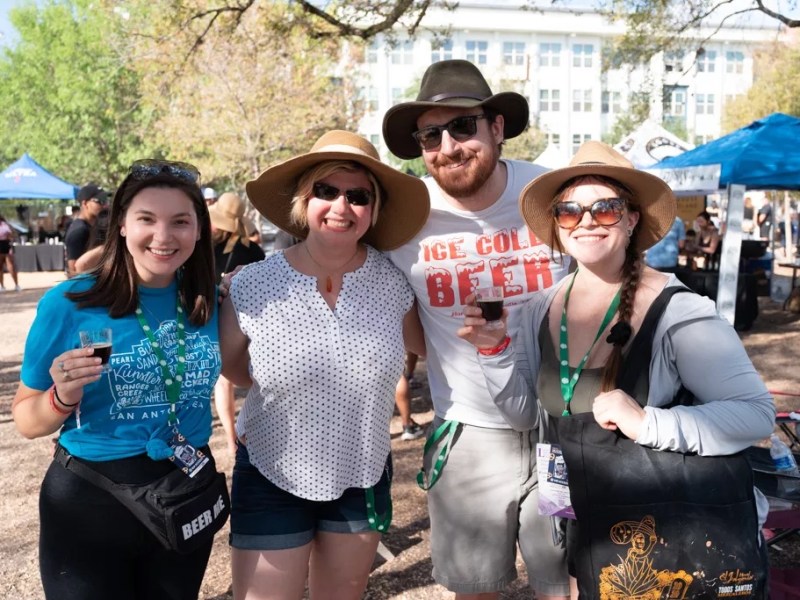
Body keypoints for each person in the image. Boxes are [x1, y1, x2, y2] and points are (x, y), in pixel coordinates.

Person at [458, 140, 775, 597]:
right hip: (584, 525)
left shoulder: (680, 311)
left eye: (605, 208)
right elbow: (525, 417)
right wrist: (495, 353)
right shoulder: (541, 307)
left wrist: (648, 423)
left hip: (666, 539)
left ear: (631, 220)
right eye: (569, 211)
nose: (586, 221)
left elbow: (755, 414)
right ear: (558, 224)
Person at [382, 59, 571, 599]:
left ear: (497, 127)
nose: (448, 147)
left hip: (563, 428)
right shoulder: (404, 217)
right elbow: (408, 326)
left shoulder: (551, 193)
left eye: (463, 127)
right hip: (469, 433)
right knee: (475, 589)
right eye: (430, 136)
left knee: (565, 585)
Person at [219, 130, 429, 599]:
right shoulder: (252, 283)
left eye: (358, 196)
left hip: (362, 471)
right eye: (326, 190)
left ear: (373, 210)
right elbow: (235, 371)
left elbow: (435, 345)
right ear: (303, 200)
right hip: (271, 470)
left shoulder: (395, 283)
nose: (341, 205)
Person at [12, 160, 222, 600]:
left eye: (180, 221)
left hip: (183, 492)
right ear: (122, 225)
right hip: (90, 503)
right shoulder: (70, 302)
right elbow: (26, 421)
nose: (163, 236)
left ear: (199, 229)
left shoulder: (210, 301)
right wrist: (61, 396)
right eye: (147, 219)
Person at [208, 191, 265, 455]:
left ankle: (232, 439)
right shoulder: (254, 250)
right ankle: (247, 431)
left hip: (220, 314)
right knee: (254, 377)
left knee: (224, 381)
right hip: (255, 319)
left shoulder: (207, 249)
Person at [64, 184, 108, 277]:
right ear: (85, 204)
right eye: (99, 201)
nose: (104, 205)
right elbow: (74, 270)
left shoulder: (94, 226)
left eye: (105, 200)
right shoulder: (79, 231)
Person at [0, 214, 21, 292]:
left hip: (5, 244)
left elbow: (12, 234)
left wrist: (9, 237)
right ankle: (6, 285)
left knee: (8, 266)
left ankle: (14, 285)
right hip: (4, 244)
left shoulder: (5, 225)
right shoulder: (6, 225)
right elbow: (11, 234)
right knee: (6, 266)